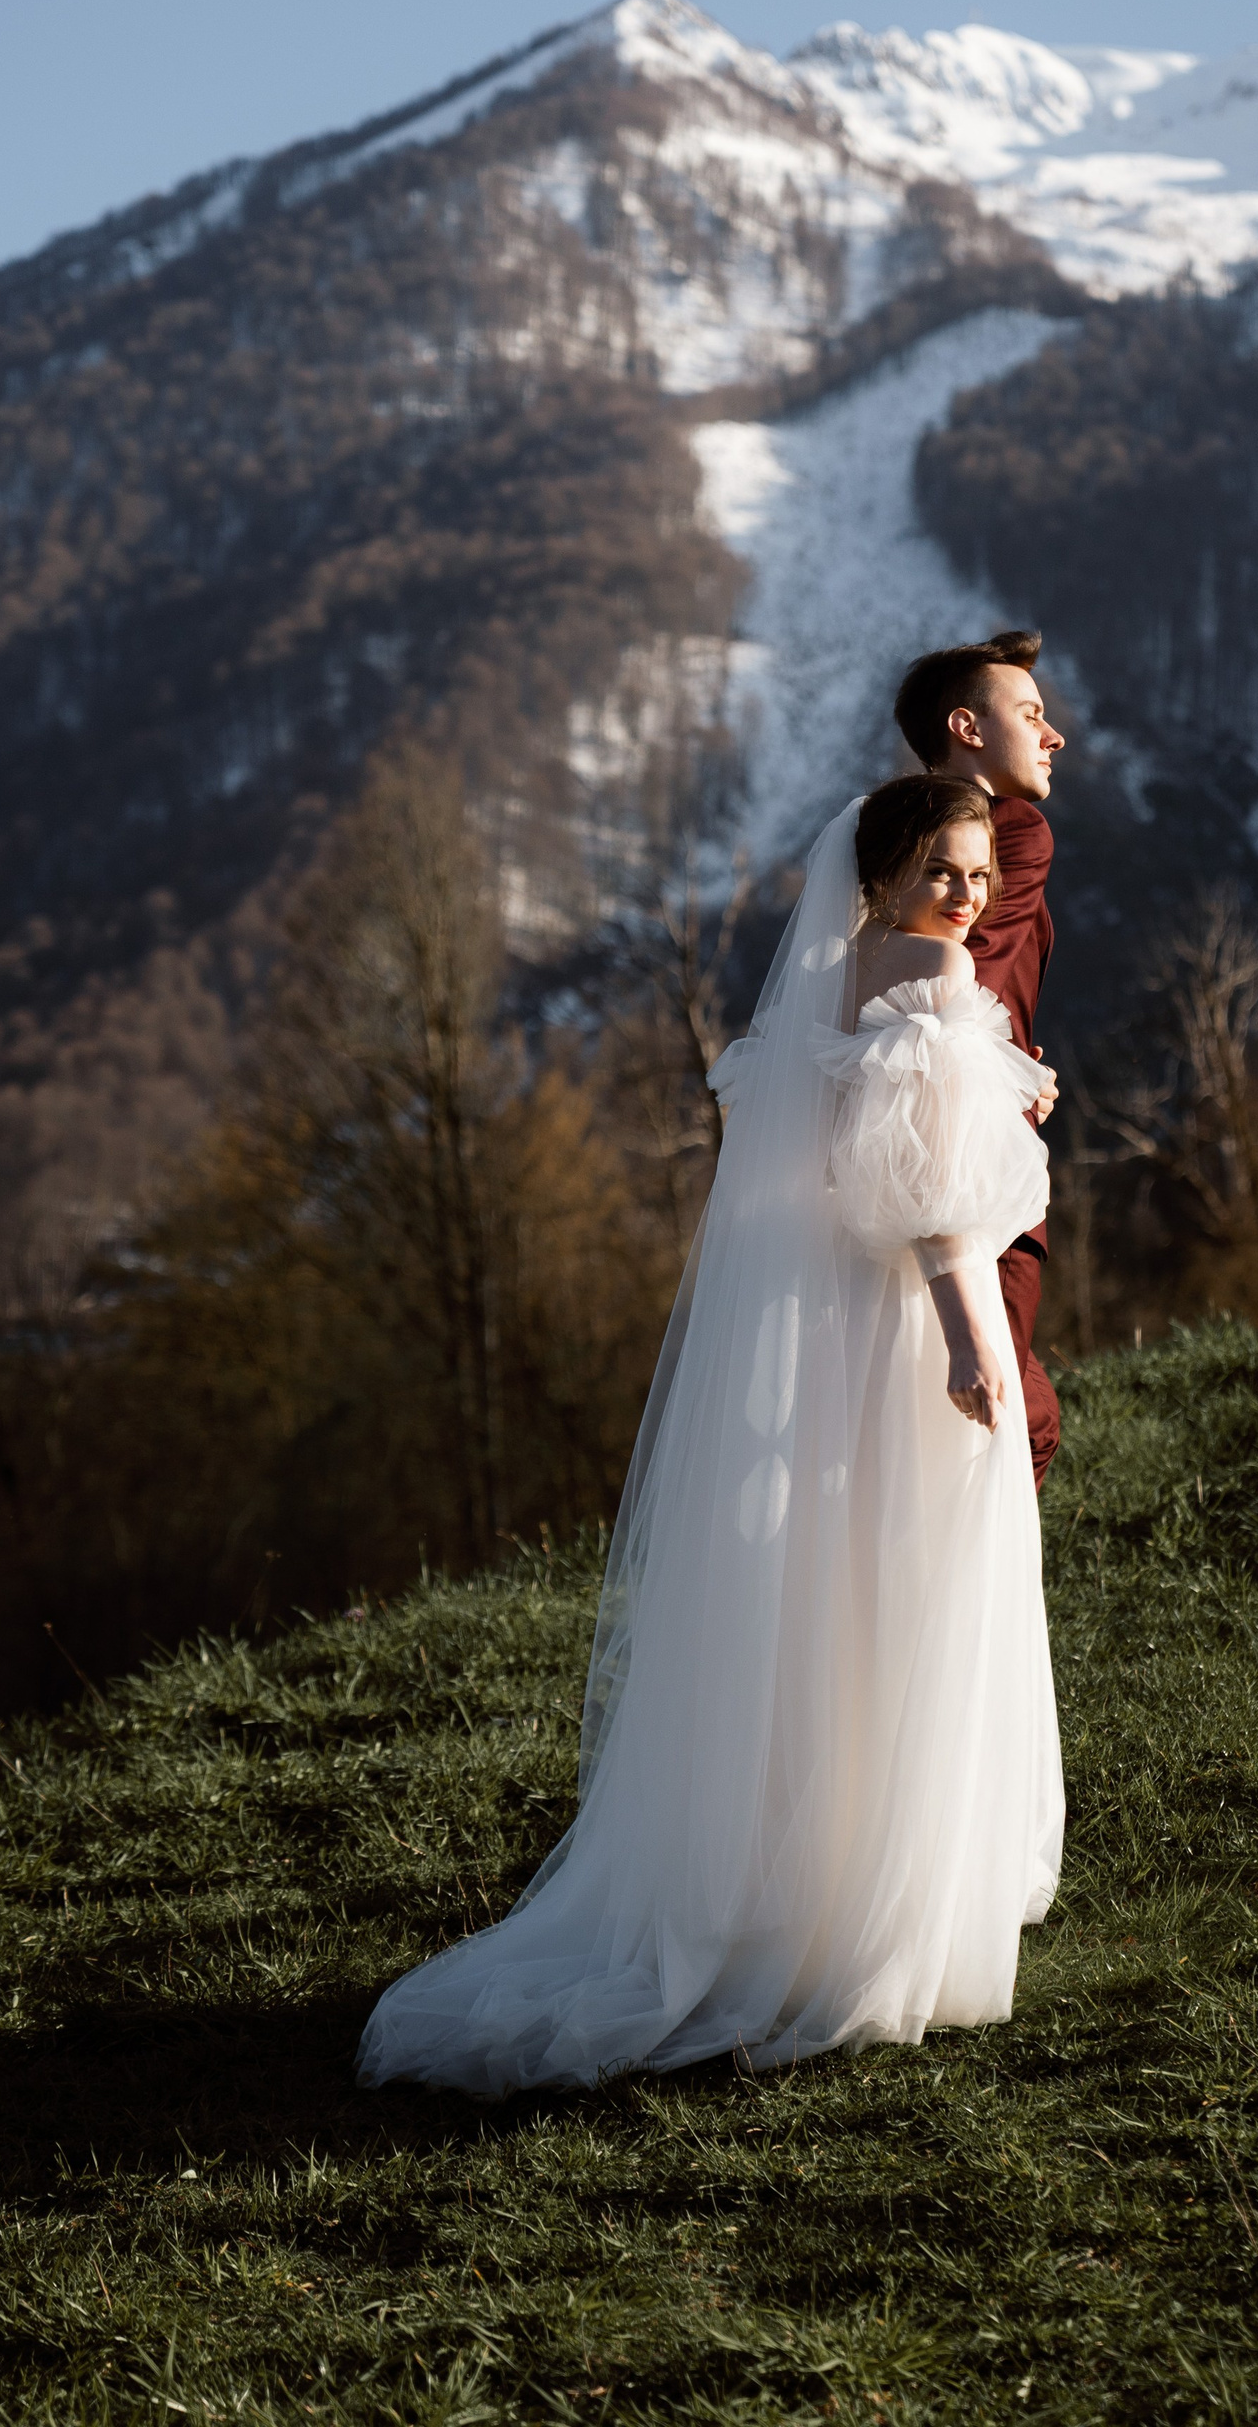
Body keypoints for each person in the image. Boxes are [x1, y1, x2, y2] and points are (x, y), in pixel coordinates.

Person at [356, 776, 1064, 2094]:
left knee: (835, 1599)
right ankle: (885, 1910)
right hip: (910, 1324)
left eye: (977, 874)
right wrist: (975, 1341)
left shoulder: (837, 979)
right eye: (939, 870)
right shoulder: (929, 973)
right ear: (883, 875)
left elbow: (859, 1148)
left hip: (841, 1325)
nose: (964, 897)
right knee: (915, 1590)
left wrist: (993, 1098)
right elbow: (933, 1201)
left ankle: (805, 1884)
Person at [893, 631, 1065, 1489]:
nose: (1053, 735)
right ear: (967, 728)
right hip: (969, 1160)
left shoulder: (886, 837)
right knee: (1015, 1423)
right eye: (1031, 715)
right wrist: (1009, 1071)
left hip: (879, 1156)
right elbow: (959, 992)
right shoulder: (1012, 832)